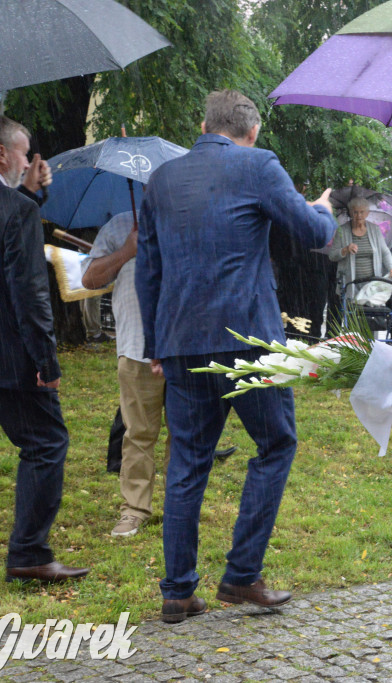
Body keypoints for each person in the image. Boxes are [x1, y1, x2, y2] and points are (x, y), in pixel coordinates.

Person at [135, 90, 337, 624]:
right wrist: (324, 207)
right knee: (276, 444)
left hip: (180, 342)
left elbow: (147, 269)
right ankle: (242, 575)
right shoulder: (258, 165)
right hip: (248, 340)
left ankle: (177, 592)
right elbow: (314, 233)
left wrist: (156, 346)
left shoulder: (161, 179)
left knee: (187, 463)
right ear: (250, 133)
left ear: (203, 125)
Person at [0, 113, 88, 584]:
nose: (28, 161)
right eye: (23, 153)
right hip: (6, 352)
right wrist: (46, 359)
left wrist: (28, 195)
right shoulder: (15, 210)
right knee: (46, 443)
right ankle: (28, 553)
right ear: (2, 153)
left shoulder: (13, 203)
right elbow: (27, 291)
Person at [82, 211, 237, 539]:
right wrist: (127, 251)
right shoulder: (120, 225)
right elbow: (90, 279)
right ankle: (134, 510)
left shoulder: (195, 219)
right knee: (138, 433)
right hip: (137, 348)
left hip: (189, 347)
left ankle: (181, 510)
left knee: (186, 434)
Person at [329, 195, 392, 303]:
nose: (359, 215)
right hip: (350, 283)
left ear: (367, 213)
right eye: (355, 212)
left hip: (371, 284)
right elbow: (332, 255)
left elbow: (385, 252)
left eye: (362, 212)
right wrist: (345, 249)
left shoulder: (375, 229)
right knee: (352, 315)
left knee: (372, 315)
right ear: (350, 213)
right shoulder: (342, 231)